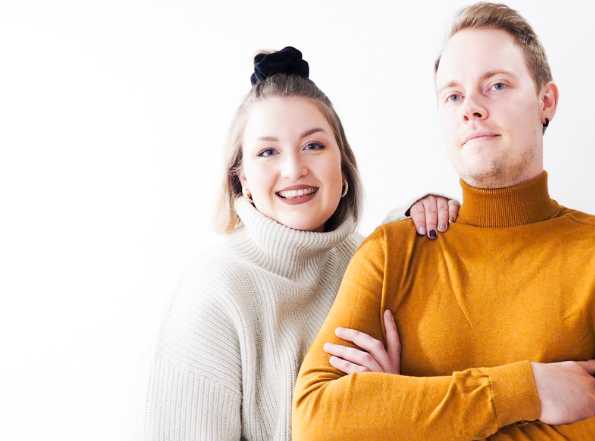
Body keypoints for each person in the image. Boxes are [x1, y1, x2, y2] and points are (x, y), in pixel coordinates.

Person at [292, 3, 595, 441]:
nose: (472, 108)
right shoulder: (390, 253)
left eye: (496, 85)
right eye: (453, 96)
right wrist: (525, 389)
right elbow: (316, 421)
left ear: (546, 102)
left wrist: (406, 416)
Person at [139, 47, 459, 441]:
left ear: (343, 168)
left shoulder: (370, 263)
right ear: (243, 180)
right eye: (268, 152)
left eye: (313, 146)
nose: (293, 169)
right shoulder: (214, 289)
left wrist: (390, 401)